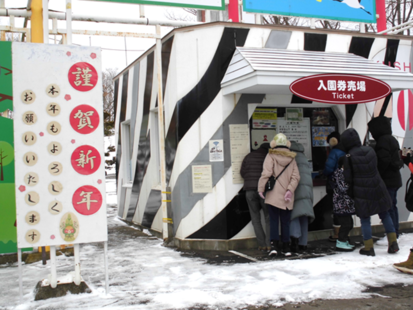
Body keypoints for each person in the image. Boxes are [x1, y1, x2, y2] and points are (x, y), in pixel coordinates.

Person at [341, 128, 399, 256]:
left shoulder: (348, 157)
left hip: (361, 190)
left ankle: (368, 247)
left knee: (365, 218)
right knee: (385, 213)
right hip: (378, 185)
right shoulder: (370, 150)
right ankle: (393, 242)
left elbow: (348, 178)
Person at [258, 133, 300, 256]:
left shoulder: (270, 155)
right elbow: (296, 176)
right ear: (287, 144)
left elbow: (266, 173)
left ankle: (274, 247)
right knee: (286, 222)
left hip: (273, 195)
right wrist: (289, 190)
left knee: (273, 221)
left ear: (274, 144)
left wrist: (261, 188)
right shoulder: (292, 158)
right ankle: (286, 247)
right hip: (287, 197)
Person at [367, 116, 403, 238]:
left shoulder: (382, 141)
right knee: (393, 205)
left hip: (387, 180)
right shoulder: (392, 139)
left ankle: (393, 232)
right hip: (395, 178)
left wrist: (376, 175)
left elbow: (383, 161)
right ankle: (395, 231)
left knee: (387, 207)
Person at [240, 143, 271, 252]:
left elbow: (242, 173)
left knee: (255, 219)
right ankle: (269, 244)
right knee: (268, 218)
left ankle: (262, 244)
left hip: (250, 191)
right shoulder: (268, 157)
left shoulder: (248, 156)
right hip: (264, 191)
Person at [289, 141, 315, 253]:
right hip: (307, 189)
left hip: (296, 189)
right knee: (304, 215)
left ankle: (294, 241)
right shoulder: (304, 157)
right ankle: (303, 243)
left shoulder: (291, 157)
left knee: (295, 214)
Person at [323, 131, 346, 242]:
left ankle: (337, 234)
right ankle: (344, 232)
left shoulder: (334, 152)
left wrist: (323, 172)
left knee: (336, 209)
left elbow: (328, 168)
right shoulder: (345, 150)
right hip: (344, 183)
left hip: (334, 184)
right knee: (343, 208)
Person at [331, 156, 356, 251]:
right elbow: (343, 187)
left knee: (350, 224)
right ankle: (341, 241)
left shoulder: (345, 173)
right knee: (346, 224)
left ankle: (344, 240)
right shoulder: (339, 173)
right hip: (341, 204)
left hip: (346, 204)